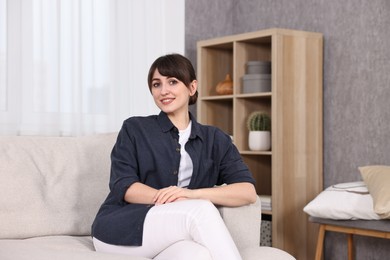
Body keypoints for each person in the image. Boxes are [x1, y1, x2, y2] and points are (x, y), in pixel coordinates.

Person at [91, 53, 257, 260]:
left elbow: (247, 191)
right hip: (122, 228)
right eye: (156, 84)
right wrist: (179, 200)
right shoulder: (135, 128)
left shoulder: (216, 139)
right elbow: (124, 186)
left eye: (172, 82)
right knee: (201, 210)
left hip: (172, 231)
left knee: (198, 254)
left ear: (192, 87)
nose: (164, 91)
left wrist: (191, 195)